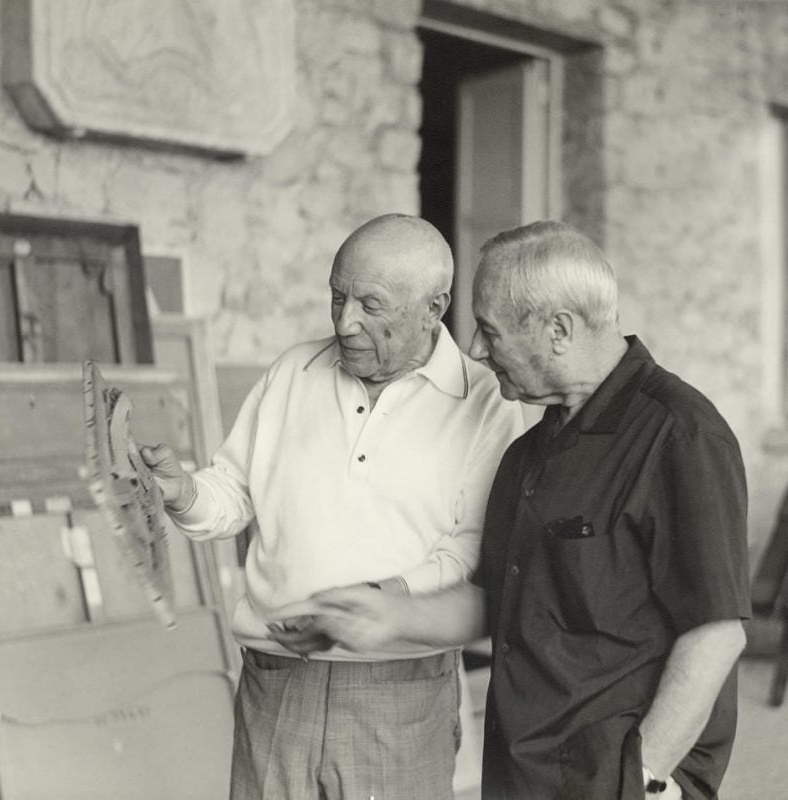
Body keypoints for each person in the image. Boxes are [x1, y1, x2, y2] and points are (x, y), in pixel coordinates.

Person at [271, 220, 751, 800]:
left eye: (490, 331)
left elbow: (716, 632)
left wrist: (644, 780)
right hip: (523, 771)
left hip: (616, 780)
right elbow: (494, 600)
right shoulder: (528, 453)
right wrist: (380, 618)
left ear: (558, 330)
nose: (474, 349)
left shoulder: (681, 435)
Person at [141, 213, 523, 800]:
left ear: (434, 306)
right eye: (337, 297)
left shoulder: (485, 402)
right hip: (276, 680)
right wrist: (183, 493)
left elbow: (471, 549)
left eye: (371, 304)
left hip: (400, 688)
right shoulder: (294, 371)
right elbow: (236, 489)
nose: (345, 322)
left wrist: (380, 600)